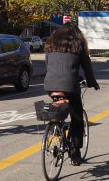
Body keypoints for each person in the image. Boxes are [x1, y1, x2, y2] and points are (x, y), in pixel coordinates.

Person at [43, 23, 100, 166]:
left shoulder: (51, 45)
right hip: (69, 86)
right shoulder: (78, 45)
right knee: (77, 118)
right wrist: (92, 82)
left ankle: (57, 128)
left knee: (59, 109)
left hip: (50, 85)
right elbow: (87, 68)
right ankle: (74, 153)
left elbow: (49, 66)